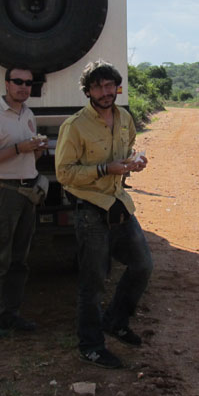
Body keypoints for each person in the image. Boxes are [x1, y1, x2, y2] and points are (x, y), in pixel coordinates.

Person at [55, 59, 153, 368]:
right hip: (91, 208)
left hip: (119, 204)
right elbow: (64, 173)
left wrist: (134, 161)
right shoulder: (74, 126)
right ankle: (91, 345)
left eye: (110, 85)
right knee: (93, 281)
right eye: (98, 86)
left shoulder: (124, 117)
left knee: (142, 265)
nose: (105, 91)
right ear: (88, 91)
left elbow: (129, 147)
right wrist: (103, 169)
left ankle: (116, 321)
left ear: (117, 87)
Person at [0, 67, 47, 340]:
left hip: (27, 193)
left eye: (29, 82)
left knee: (19, 260)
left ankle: (9, 314)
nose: (23, 87)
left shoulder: (28, 114)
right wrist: (19, 149)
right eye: (18, 82)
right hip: (5, 193)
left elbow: (29, 159)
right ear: (6, 84)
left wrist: (36, 150)